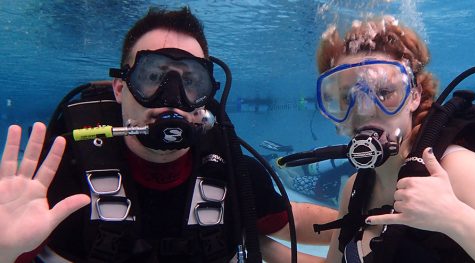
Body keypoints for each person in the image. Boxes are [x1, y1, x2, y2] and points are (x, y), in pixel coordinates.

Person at [0, 7, 337, 263]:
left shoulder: (232, 172)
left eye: (190, 81)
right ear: (120, 88)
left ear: (206, 96)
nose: (171, 98)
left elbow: (288, 220)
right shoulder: (60, 175)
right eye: (153, 76)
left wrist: (366, 222)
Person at [312, 16, 475, 262]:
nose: (363, 110)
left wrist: (454, 218)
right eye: (346, 97)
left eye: (383, 92)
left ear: (414, 96)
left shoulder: (457, 170)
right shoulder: (354, 188)